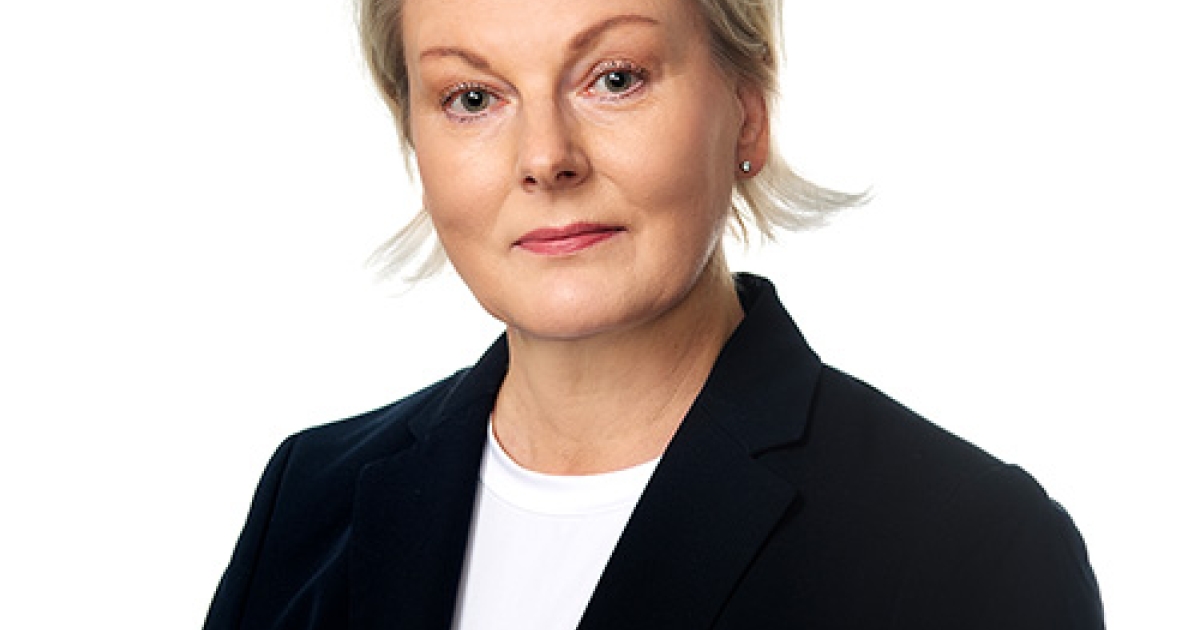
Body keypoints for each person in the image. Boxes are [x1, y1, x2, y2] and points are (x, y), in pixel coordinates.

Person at [203, 0, 1104, 628]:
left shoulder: (970, 546)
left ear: (748, 113)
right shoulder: (308, 498)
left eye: (615, 78)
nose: (545, 158)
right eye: (472, 98)